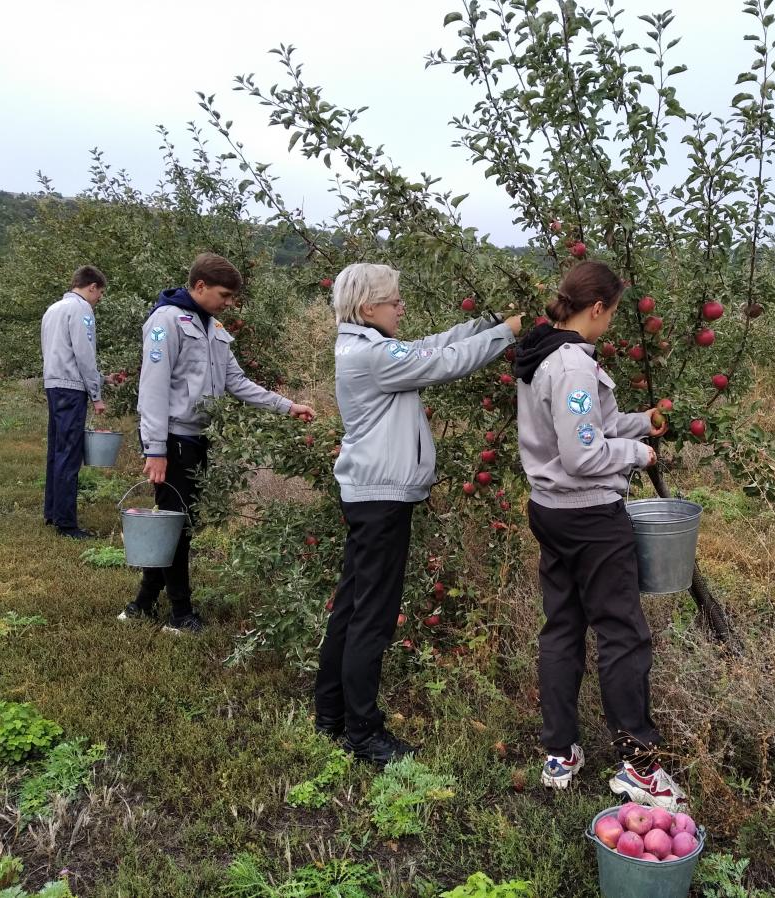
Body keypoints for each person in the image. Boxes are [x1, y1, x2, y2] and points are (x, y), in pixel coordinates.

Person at [316, 262, 522, 766]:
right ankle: (363, 734)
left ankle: (330, 716)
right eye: (394, 302)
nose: (401, 308)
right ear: (369, 308)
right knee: (373, 616)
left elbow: (430, 346)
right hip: (380, 498)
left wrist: (483, 325)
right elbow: (442, 364)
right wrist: (504, 335)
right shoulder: (372, 355)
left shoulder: (363, 346)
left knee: (351, 606)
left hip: (369, 492)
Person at [513, 260, 686, 810]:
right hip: (589, 517)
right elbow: (583, 451)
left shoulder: (546, 353)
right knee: (622, 634)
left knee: (562, 627)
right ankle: (638, 765)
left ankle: (560, 751)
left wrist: (638, 421)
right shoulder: (572, 368)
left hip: (551, 509)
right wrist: (638, 452)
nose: (611, 321)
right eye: (612, 312)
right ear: (598, 308)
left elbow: (581, 426)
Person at [122, 253, 316, 633]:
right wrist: (155, 449)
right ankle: (179, 614)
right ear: (199, 287)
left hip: (198, 438)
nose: (229, 302)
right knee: (177, 525)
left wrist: (286, 405)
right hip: (175, 439)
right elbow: (153, 389)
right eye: (224, 294)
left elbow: (237, 382)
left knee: (180, 524)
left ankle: (141, 605)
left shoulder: (213, 326)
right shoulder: (166, 322)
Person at [41, 265, 112, 539]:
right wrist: (96, 394)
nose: (99, 299)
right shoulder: (82, 310)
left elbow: (61, 353)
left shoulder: (53, 309)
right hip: (72, 390)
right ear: (91, 286)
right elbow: (83, 355)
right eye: (100, 293)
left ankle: (52, 512)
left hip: (54, 384)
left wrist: (103, 379)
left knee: (56, 452)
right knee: (70, 455)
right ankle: (67, 524)